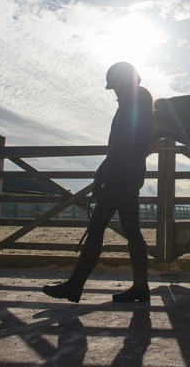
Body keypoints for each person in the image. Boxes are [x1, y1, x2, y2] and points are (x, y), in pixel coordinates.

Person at [43, 62, 154, 303]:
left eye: (114, 87)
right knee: (132, 230)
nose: (113, 92)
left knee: (96, 227)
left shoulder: (130, 106)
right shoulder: (140, 103)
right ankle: (140, 286)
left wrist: (103, 172)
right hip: (131, 174)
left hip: (119, 175)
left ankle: (75, 286)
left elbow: (121, 144)